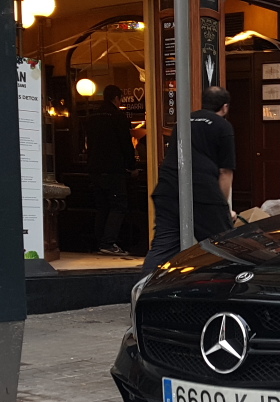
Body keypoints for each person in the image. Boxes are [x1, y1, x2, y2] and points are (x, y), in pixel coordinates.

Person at [143, 86, 237, 273]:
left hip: (168, 189)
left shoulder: (183, 122)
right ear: (225, 107)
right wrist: (223, 206)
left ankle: (143, 291)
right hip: (203, 192)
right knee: (222, 245)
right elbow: (225, 172)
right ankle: (224, 292)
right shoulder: (222, 126)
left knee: (163, 247)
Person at [85, 85, 137, 256]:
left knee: (102, 207)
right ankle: (108, 243)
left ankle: (99, 242)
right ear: (116, 98)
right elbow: (126, 145)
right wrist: (132, 166)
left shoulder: (92, 118)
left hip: (94, 169)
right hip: (113, 169)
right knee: (118, 205)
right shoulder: (117, 117)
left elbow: (88, 145)